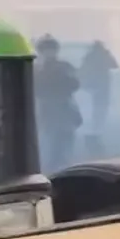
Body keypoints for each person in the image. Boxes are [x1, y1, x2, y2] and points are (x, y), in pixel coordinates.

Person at [31, 35, 82, 172]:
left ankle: (63, 169)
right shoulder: (36, 69)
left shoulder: (64, 66)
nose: (49, 52)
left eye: (51, 49)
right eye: (46, 49)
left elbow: (75, 84)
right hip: (47, 109)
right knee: (49, 142)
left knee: (64, 141)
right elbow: (34, 88)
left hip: (63, 107)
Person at [79, 40, 117, 152]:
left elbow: (83, 69)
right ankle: (97, 128)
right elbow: (114, 65)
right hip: (101, 84)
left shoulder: (89, 56)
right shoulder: (102, 55)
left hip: (96, 85)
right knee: (100, 106)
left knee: (98, 107)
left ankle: (97, 127)